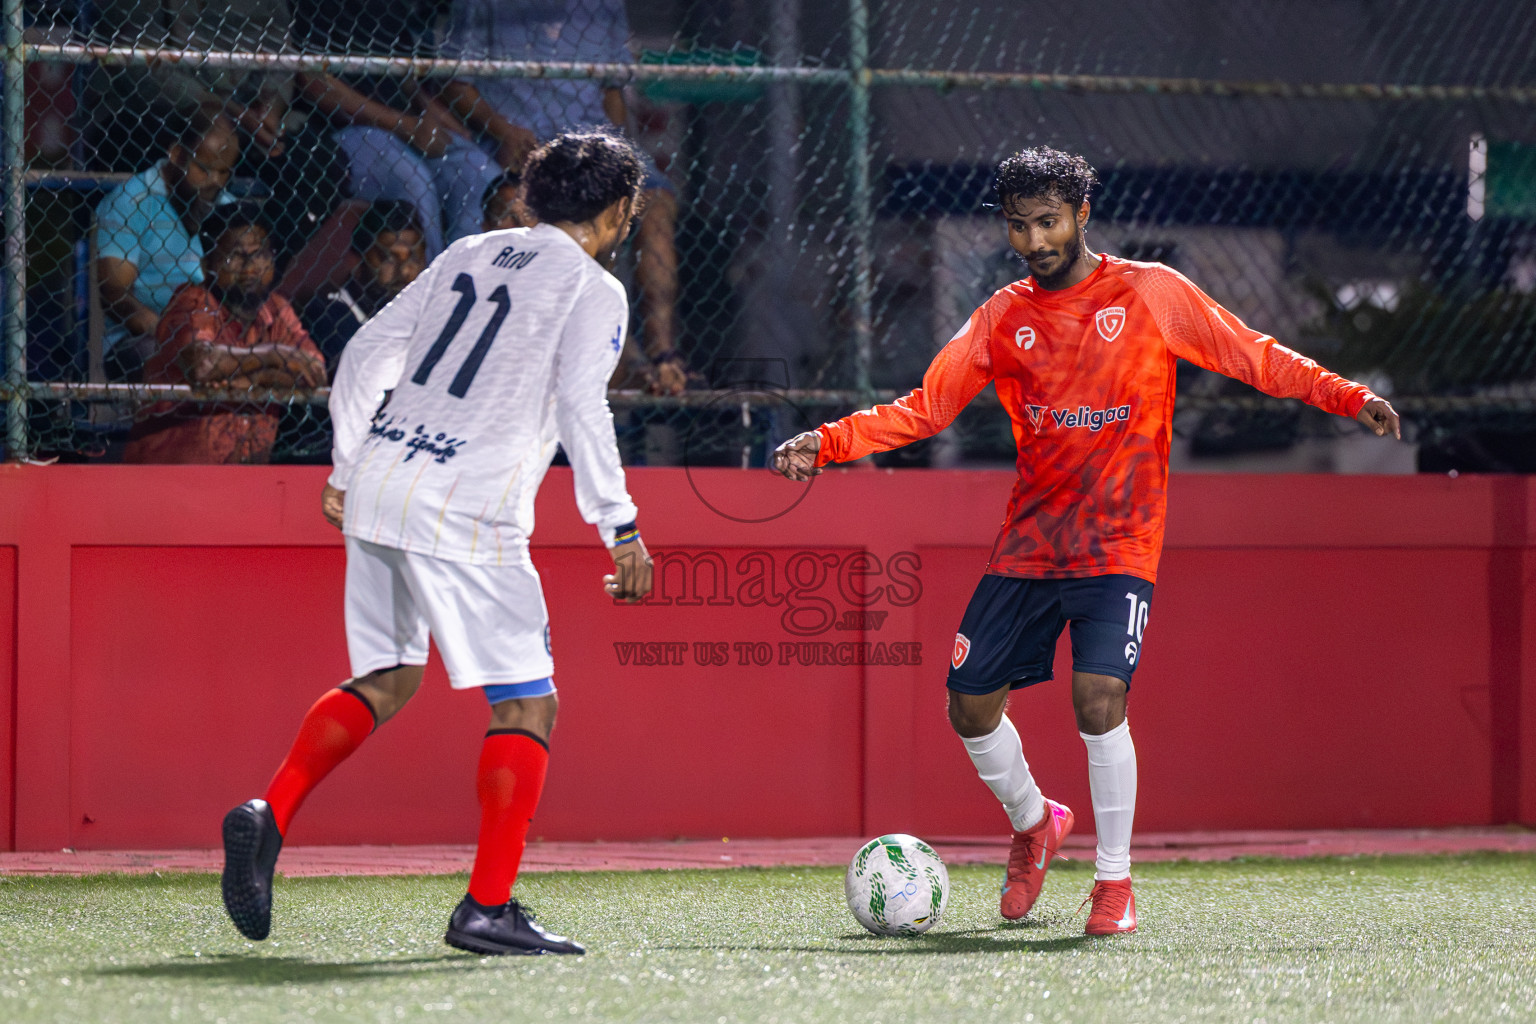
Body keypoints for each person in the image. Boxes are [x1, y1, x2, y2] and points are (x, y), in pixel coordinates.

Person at [771, 147, 1401, 936]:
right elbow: (926, 407)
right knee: (969, 707)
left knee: (1097, 700)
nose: (1034, 240)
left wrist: (1346, 396)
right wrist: (825, 442)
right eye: (1019, 226)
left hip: (1119, 542)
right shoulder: (1003, 316)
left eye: (1048, 221)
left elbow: (1253, 354)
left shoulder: (1150, 293)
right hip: (1031, 544)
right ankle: (1036, 824)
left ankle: (1114, 882)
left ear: (1081, 215)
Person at [219, 130, 656, 956]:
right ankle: (486, 908)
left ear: (534, 199)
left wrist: (350, 466)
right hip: (468, 506)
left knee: (388, 675)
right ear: (619, 210)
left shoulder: (468, 251)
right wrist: (620, 526)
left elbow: (363, 355)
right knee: (528, 701)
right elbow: (581, 408)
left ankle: (268, 814)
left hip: (385, 482)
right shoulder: (594, 291)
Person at [436, 0, 689, 396]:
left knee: (654, 204)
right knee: (515, 208)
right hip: (518, 143)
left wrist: (612, 152)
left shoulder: (603, 4)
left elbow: (612, 95)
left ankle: (660, 354)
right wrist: (503, 130)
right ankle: (508, 362)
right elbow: (455, 84)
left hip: (591, 146)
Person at [123, 203, 327, 464]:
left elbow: (315, 369)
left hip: (244, 475)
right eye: (234, 257)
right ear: (209, 264)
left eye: (261, 254)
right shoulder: (194, 303)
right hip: (171, 474)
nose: (250, 267)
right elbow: (203, 366)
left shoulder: (276, 309)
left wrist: (241, 379)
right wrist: (274, 357)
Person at [94, 111, 239, 379]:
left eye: (224, 171)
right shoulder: (130, 201)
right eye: (204, 169)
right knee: (168, 359)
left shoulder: (226, 206)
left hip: (215, 334)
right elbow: (114, 295)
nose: (215, 182)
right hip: (143, 338)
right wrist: (174, 334)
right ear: (176, 154)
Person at [301, 200, 428, 376]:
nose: (405, 269)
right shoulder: (330, 313)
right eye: (389, 258)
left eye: (414, 257)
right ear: (358, 259)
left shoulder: (430, 311)